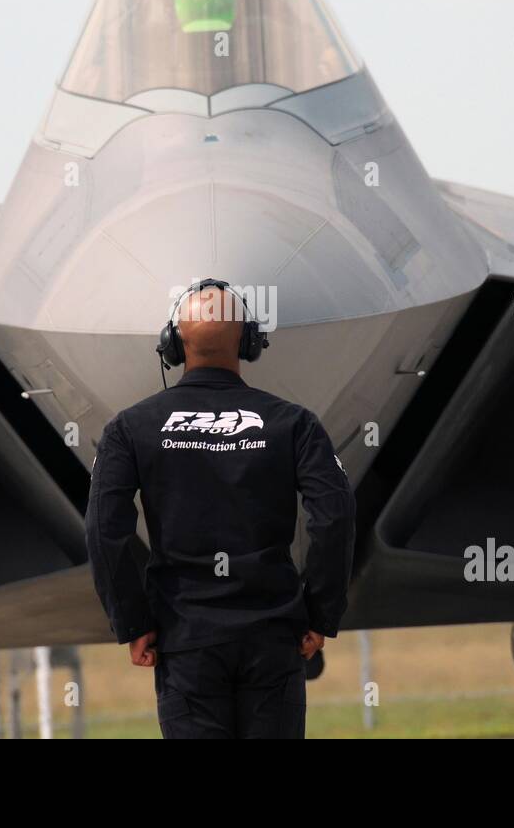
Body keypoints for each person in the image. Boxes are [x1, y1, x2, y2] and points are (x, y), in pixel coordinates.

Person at [84, 279, 356, 738]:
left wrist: (132, 622)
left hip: (186, 643)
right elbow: (335, 515)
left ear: (172, 345)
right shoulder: (294, 424)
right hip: (273, 639)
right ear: (249, 341)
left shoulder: (130, 428)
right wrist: (319, 614)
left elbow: (102, 528)